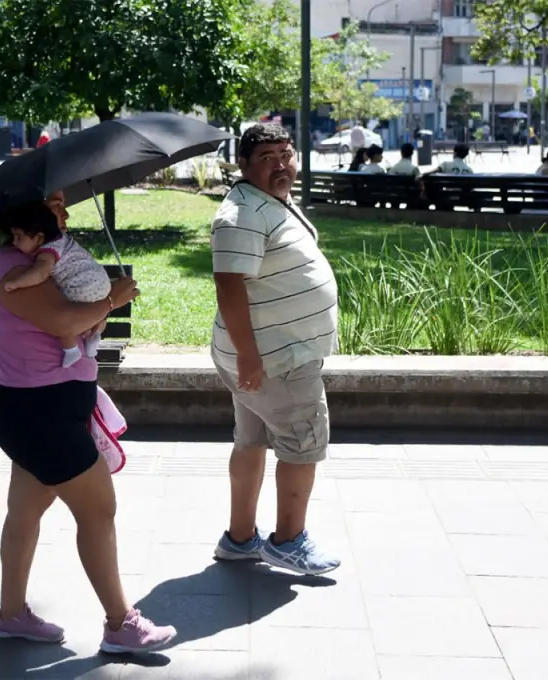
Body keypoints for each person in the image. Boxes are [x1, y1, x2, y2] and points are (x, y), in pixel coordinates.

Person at [0, 192, 176, 653]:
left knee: (26, 513)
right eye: (54, 207)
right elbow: (63, 320)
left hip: (43, 408)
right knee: (98, 511)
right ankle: (120, 625)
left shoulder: (39, 257)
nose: (65, 214)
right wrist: (113, 299)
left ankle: (11, 616)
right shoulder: (14, 267)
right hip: (41, 414)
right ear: (28, 215)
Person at [209, 123, 341, 576]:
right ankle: (288, 541)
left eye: (286, 154)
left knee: (251, 441)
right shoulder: (241, 214)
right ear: (243, 165)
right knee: (301, 444)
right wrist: (249, 356)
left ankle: (240, 539)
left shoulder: (270, 202)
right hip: (274, 361)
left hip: (268, 356)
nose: (280, 164)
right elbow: (228, 287)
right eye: (267, 157)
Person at [2, 203, 110, 368]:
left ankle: (70, 348)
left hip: (82, 286)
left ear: (39, 238)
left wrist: (17, 282)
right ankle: (93, 335)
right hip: (101, 281)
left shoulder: (47, 252)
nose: (15, 243)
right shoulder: (62, 239)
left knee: (61, 311)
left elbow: (40, 274)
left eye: (18, 236)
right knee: (88, 309)